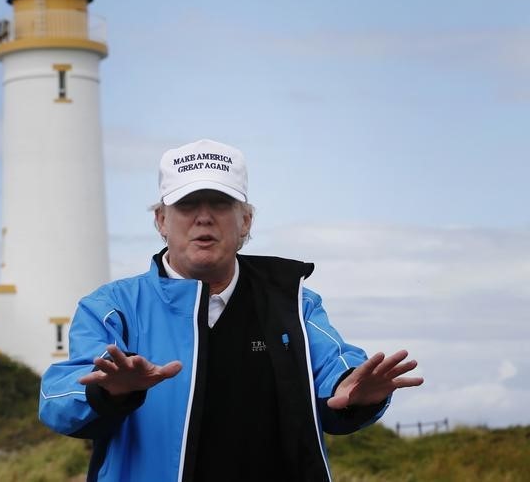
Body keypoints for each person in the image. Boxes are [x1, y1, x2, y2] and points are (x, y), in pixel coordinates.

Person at [39, 138, 423, 481]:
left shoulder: (294, 301)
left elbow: (337, 374)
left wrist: (356, 391)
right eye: (187, 204)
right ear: (161, 220)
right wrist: (109, 391)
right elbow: (57, 400)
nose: (203, 217)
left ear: (246, 221)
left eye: (220, 203)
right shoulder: (112, 308)